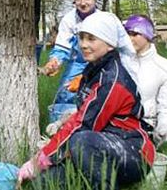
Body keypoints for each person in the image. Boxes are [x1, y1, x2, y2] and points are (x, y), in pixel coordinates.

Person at [18, 12, 155, 190]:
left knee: (80, 141)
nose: (84, 45)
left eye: (91, 39)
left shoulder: (112, 81)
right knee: (42, 184)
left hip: (132, 151)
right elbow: (82, 114)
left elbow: (83, 125)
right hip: (99, 145)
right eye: (81, 38)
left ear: (110, 44)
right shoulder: (94, 68)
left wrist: (39, 161)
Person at [42, 0, 100, 107]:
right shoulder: (69, 20)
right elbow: (62, 47)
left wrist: (87, 77)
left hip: (101, 65)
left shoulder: (103, 20)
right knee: (65, 95)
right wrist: (54, 62)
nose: (83, 2)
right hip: (77, 64)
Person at [124, 14, 167, 147]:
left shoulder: (165, 68)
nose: (129, 39)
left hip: (144, 127)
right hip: (115, 123)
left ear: (147, 35)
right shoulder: (118, 61)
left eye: (135, 34)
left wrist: (166, 126)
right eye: (127, 33)